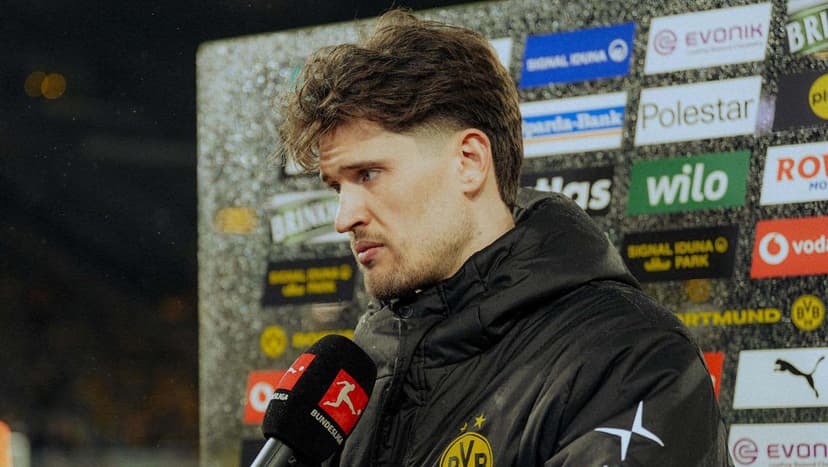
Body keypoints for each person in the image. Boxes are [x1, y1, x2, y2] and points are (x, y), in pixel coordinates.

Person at [278, 9, 731, 467]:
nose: (344, 218)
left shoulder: (630, 359)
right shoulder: (361, 376)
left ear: (470, 161)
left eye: (368, 174)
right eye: (337, 188)